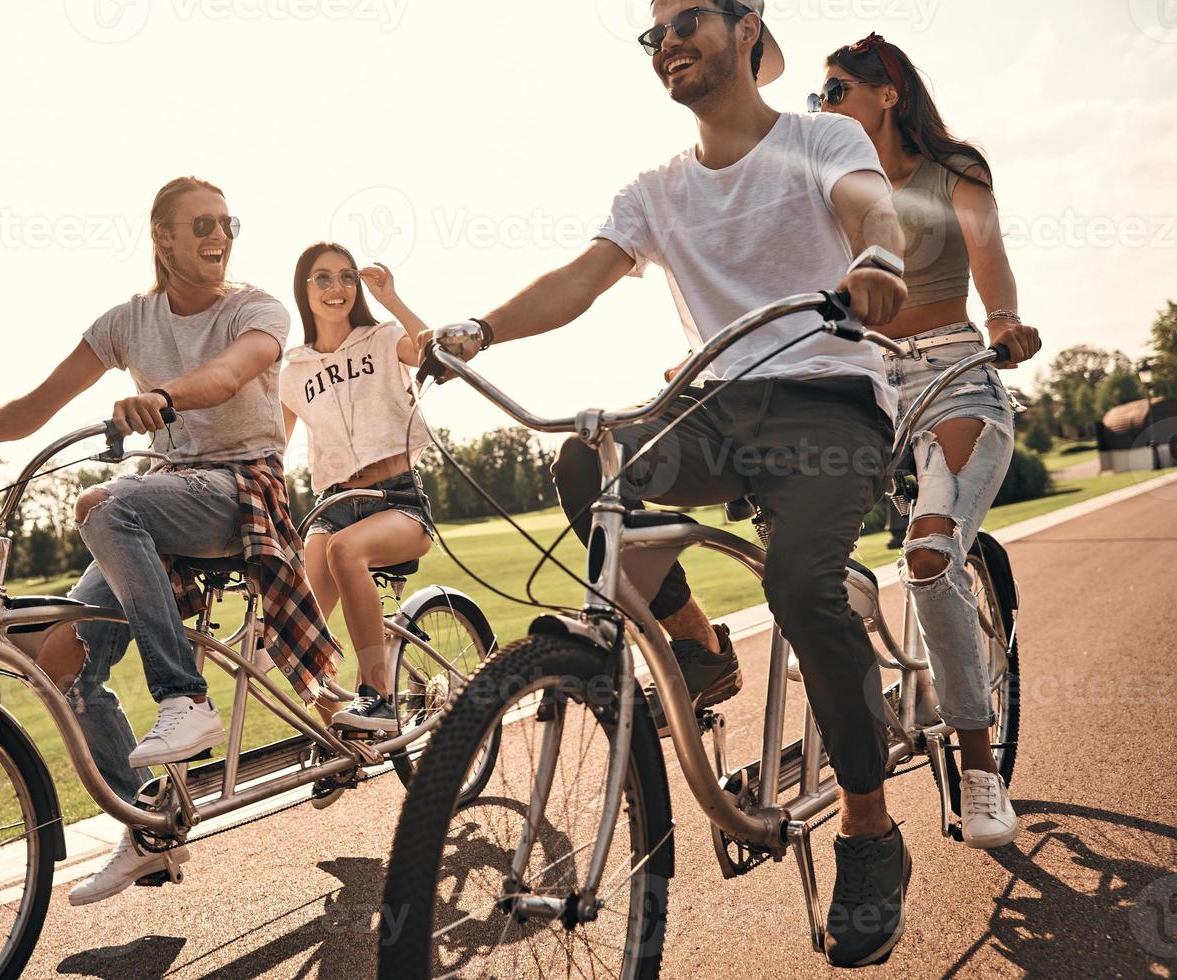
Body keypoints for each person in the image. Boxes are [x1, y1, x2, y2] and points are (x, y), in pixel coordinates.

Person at [422, 0, 917, 966]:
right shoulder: (655, 189)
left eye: (688, 19)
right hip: (715, 410)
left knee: (803, 585)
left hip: (826, 401)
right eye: (655, 33)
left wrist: (877, 258)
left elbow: (872, 204)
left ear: (746, 26)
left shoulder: (820, 136)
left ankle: (868, 828)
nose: (669, 42)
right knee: (584, 458)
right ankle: (694, 646)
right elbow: (583, 277)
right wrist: (480, 329)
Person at [0, 177, 340, 906]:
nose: (219, 235)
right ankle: (151, 827)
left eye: (227, 223)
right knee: (59, 661)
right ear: (162, 236)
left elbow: (233, 371)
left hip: (241, 491)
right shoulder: (127, 322)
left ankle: (184, 697)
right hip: (161, 494)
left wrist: (166, 397)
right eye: (200, 224)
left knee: (103, 505)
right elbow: (37, 405)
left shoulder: (256, 307)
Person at [814, 32, 1041, 849]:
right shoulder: (836, 185)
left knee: (931, 553)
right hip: (865, 384)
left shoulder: (956, 172)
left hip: (955, 372)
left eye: (836, 90)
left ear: (886, 94)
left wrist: (1006, 319)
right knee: (810, 555)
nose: (823, 106)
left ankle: (979, 769)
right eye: (819, 95)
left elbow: (988, 252)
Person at [278, 243, 435, 733]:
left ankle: (379, 697)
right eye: (322, 278)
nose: (337, 288)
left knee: (346, 552)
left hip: (398, 499)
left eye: (346, 277)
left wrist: (391, 298)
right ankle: (341, 741)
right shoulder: (292, 371)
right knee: (298, 628)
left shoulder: (384, 338)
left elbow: (433, 349)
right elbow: (270, 448)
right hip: (332, 505)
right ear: (304, 290)